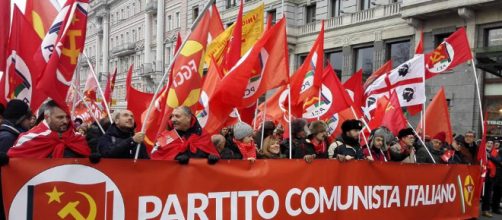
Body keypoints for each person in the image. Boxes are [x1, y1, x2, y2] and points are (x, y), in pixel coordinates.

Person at [8, 100, 91, 158]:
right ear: (47, 117)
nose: (65, 121)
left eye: (67, 117)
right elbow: (13, 162)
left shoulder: (77, 138)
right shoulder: (29, 138)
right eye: (60, 117)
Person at [151, 106, 219, 164]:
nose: (173, 119)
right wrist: (175, 157)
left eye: (177, 116)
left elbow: (210, 151)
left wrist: (211, 157)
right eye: (172, 116)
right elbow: (155, 156)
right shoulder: (166, 135)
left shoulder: (202, 134)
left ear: (188, 118)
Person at [483, 140, 496, 217]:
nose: (490, 144)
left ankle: (485, 210)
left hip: (490, 175)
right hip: (481, 174)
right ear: (485, 144)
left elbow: (498, 161)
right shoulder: (481, 151)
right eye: (488, 143)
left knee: (487, 194)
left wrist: (490, 156)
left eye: (491, 143)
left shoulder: (494, 153)